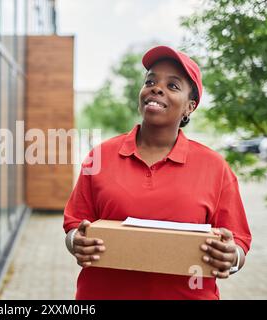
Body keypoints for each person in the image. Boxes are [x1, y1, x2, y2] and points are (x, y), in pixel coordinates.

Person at [63, 45, 252, 300]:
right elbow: (75, 225)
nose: (156, 88)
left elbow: (238, 242)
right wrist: (76, 242)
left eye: (173, 86)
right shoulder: (100, 156)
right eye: (150, 81)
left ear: (190, 106)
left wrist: (231, 257)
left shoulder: (215, 167)